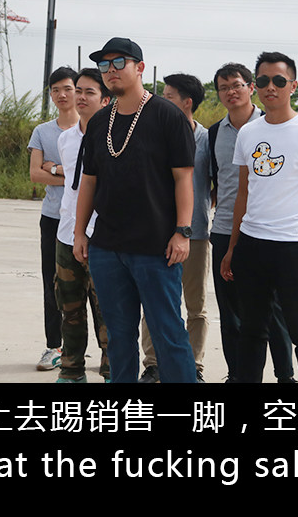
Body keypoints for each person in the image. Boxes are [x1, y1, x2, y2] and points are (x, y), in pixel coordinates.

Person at [73, 37, 198, 384]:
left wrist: (183, 231)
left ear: (139, 67)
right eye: (104, 65)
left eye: (119, 63)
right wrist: (80, 232)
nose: (110, 71)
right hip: (107, 247)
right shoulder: (100, 122)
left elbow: (184, 179)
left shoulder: (167, 116)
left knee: (168, 333)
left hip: (156, 247)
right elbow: (89, 182)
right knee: (117, 336)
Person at [220, 51, 298, 383]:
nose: (270, 87)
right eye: (263, 80)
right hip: (252, 245)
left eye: (279, 81)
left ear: (292, 86)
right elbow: (244, 194)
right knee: (252, 330)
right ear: (255, 86)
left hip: (294, 246)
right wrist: (233, 248)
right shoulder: (249, 133)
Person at [208, 62, 297, 384]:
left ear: (250, 87)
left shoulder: (271, 124)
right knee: (230, 312)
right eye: (223, 88)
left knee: (273, 311)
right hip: (223, 231)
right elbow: (213, 181)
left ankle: (285, 376)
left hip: (265, 232)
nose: (231, 92)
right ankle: (237, 375)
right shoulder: (214, 133)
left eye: (237, 85)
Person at [138, 73, 210, 383]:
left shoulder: (207, 139)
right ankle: (153, 364)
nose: (161, 101)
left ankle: (194, 366)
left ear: (187, 102)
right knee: (153, 302)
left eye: (168, 97)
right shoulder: (153, 133)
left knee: (195, 304)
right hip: (156, 232)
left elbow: (217, 183)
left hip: (195, 234)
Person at [53, 68, 112, 383]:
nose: (80, 97)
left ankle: (112, 370)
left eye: (89, 92)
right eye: (78, 90)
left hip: (103, 237)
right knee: (70, 308)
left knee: (109, 311)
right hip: (67, 235)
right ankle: (72, 370)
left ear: (105, 100)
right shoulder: (66, 138)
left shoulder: (114, 138)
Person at [27, 66, 79, 371]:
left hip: (86, 218)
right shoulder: (43, 131)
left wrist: (56, 169)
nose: (61, 95)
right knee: (53, 283)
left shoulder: (92, 127)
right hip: (52, 218)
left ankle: (102, 350)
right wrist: (73, 177)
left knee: (94, 288)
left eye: (67, 88)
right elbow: (35, 174)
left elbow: (93, 176)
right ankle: (54, 346)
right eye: (55, 90)